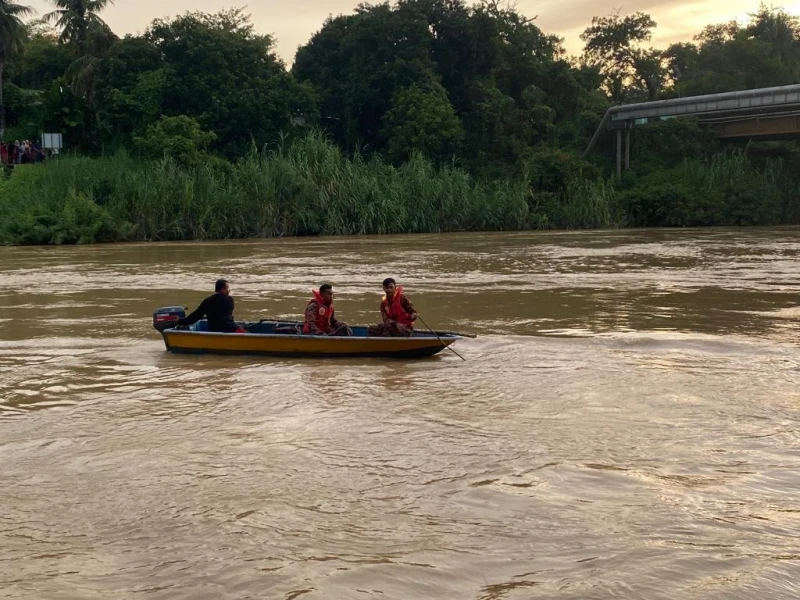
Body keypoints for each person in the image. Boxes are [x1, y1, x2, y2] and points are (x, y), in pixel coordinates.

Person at [176, 279, 246, 333]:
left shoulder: (208, 300)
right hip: (230, 329)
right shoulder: (229, 299)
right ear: (222, 289)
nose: (229, 290)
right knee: (245, 331)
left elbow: (196, 316)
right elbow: (227, 318)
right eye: (227, 288)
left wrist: (180, 321)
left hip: (214, 329)